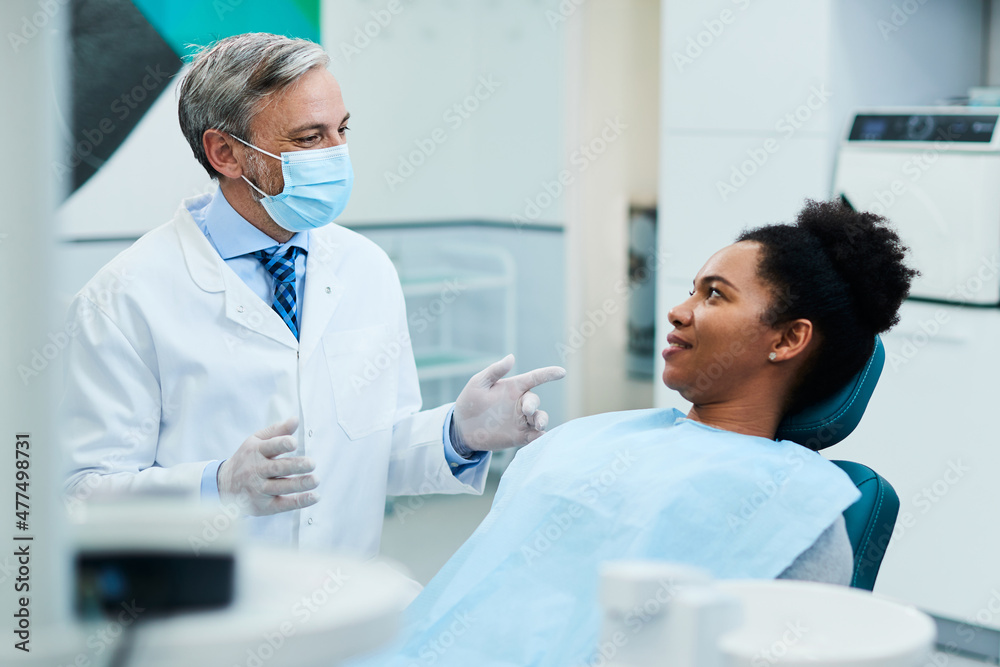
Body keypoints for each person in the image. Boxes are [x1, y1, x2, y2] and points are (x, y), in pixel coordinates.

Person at [350, 199, 917, 666]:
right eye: (692, 289)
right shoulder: (587, 437)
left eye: (715, 295)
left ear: (788, 339)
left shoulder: (798, 506)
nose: (677, 310)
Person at [59, 33, 564, 556]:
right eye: (308, 138)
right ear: (224, 152)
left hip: (340, 604)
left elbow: (370, 448)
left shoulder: (366, 268)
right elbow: (80, 493)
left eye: (341, 131)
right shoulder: (122, 299)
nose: (336, 155)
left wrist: (460, 434)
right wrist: (218, 485)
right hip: (200, 620)